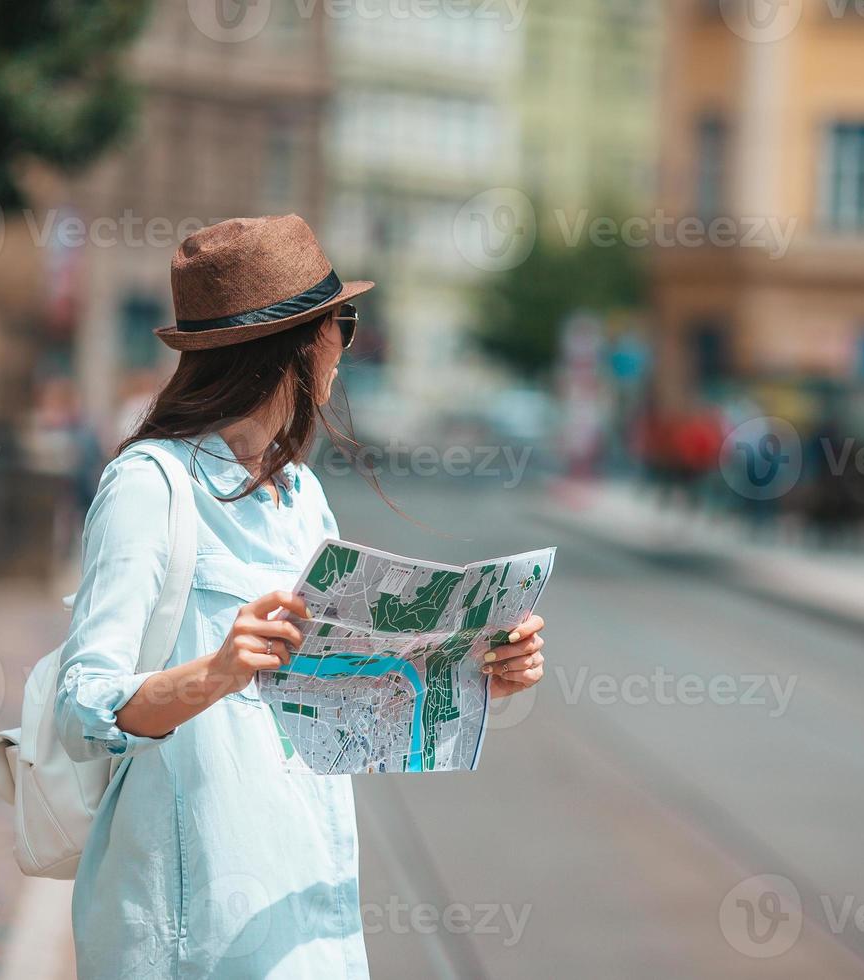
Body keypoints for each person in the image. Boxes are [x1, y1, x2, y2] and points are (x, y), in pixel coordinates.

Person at [55, 216, 547, 978]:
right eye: (341, 325)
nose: (345, 350)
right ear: (295, 345)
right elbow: (83, 710)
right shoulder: (151, 486)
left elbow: (351, 706)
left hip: (308, 898)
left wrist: (478, 669)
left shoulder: (302, 498)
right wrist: (215, 674)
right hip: (196, 917)